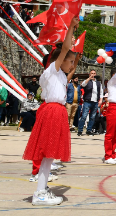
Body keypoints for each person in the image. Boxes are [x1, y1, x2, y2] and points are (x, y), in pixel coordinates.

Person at [22, 16, 80, 206]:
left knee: (50, 154)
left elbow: (68, 51)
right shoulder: (51, 71)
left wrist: (73, 44)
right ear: (58, 60)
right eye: (69, 61)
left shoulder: (60, 74)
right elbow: (64, 49)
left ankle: (42, 188)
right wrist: (71, 27)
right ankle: (39, 193)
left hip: (57, 111)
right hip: (52, 112)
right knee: (47, 153)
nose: (72, 65)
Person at [78, 69, 103, 136]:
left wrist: (100, 100)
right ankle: (80, 130)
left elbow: (101, 92)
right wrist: (89, 78)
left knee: (92, 117)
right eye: (92, 73)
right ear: (89, 74)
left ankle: (89, 130)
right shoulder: (87, 81)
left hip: (95, 102)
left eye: (94, 73)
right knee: (84, 116)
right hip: (87, 101)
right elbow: (83, 85)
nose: (93, 74)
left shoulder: (98, 83)